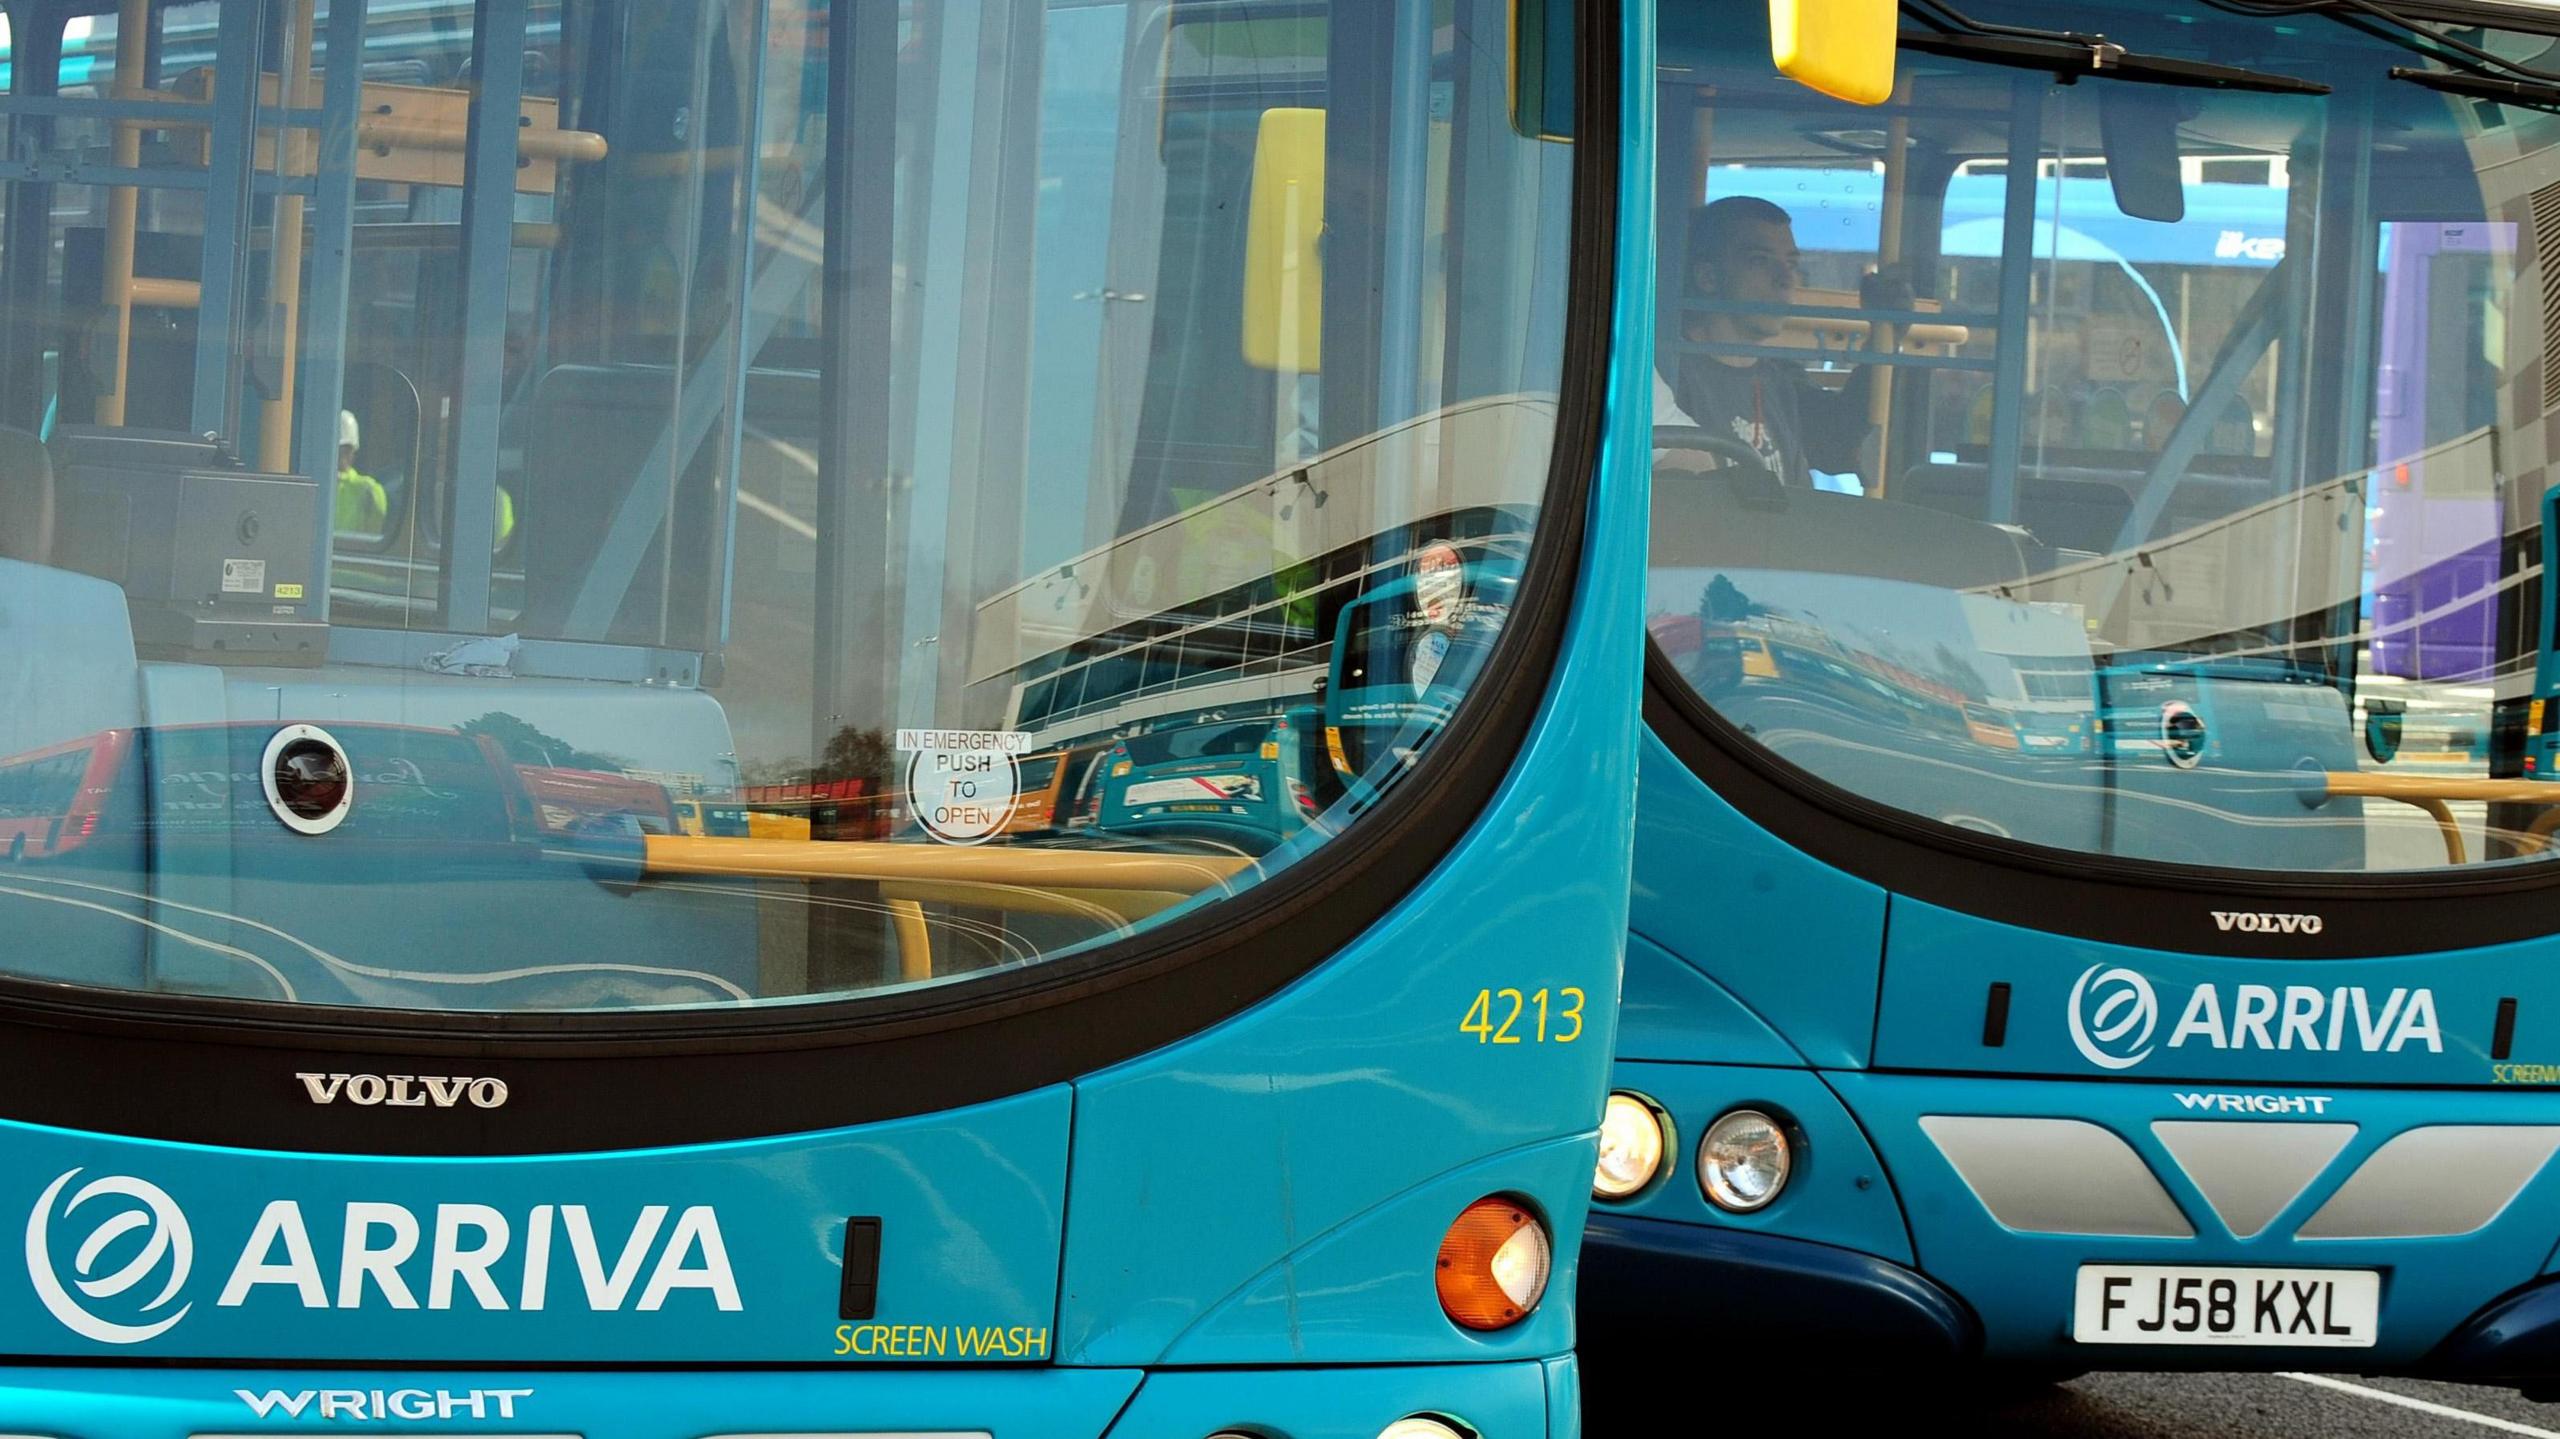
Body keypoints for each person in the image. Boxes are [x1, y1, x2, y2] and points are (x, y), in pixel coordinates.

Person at [1670, 194, 1910, 488]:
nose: (1785, 279)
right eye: (1760, 261)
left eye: (1792, 264)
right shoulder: (1671, 378)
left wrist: (1886, 337)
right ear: (1708, 277)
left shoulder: (1779, 381)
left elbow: (1839, 444)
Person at [335, 409, 387, 535]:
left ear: (352, 451)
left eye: (346, 449)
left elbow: (373, 535)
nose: (342, 454)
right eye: (342, 449)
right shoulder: (314, 485)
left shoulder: (369, 490)